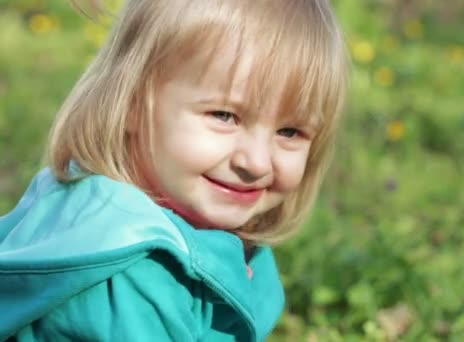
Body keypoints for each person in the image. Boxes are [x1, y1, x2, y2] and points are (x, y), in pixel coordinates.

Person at [0, 0, 348, 340]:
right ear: (132, 102)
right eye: (224, 116)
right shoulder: (132, 273)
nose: (256, 162)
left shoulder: (203, 228)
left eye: (289, 132)